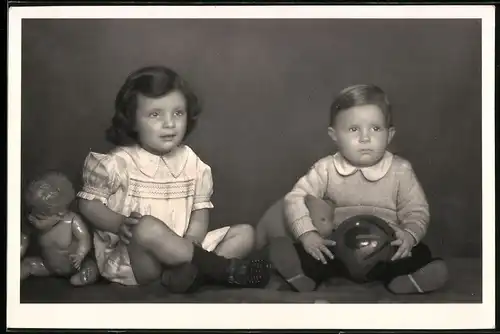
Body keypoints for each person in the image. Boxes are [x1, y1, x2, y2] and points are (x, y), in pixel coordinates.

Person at [77, 66, 270, 293]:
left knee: (245, 233)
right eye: (155, 114)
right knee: (145, 226)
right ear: (132, 120)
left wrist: (192, 241)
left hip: (185, 249)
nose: (169, 123)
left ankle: (192, 273)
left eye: (178, 113)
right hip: (138, 257)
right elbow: (88, 204)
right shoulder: (118, 163)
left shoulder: (191, 162)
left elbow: (200, 210)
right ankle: (219, 268)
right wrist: (119, 223)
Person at [272, 84, 448, 294]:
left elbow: (416, 210)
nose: (365, 138)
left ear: (389, 135)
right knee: (314, 253)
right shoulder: (325, 168)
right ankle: (301, 274)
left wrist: (409, 235)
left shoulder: (401, 170)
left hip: (385, 249)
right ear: (334, 135)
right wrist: (307, 234)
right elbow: (296, 198)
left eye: (375, 128)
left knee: (417, 252)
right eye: (354, 129)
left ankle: (408, 279)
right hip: (337, 250)